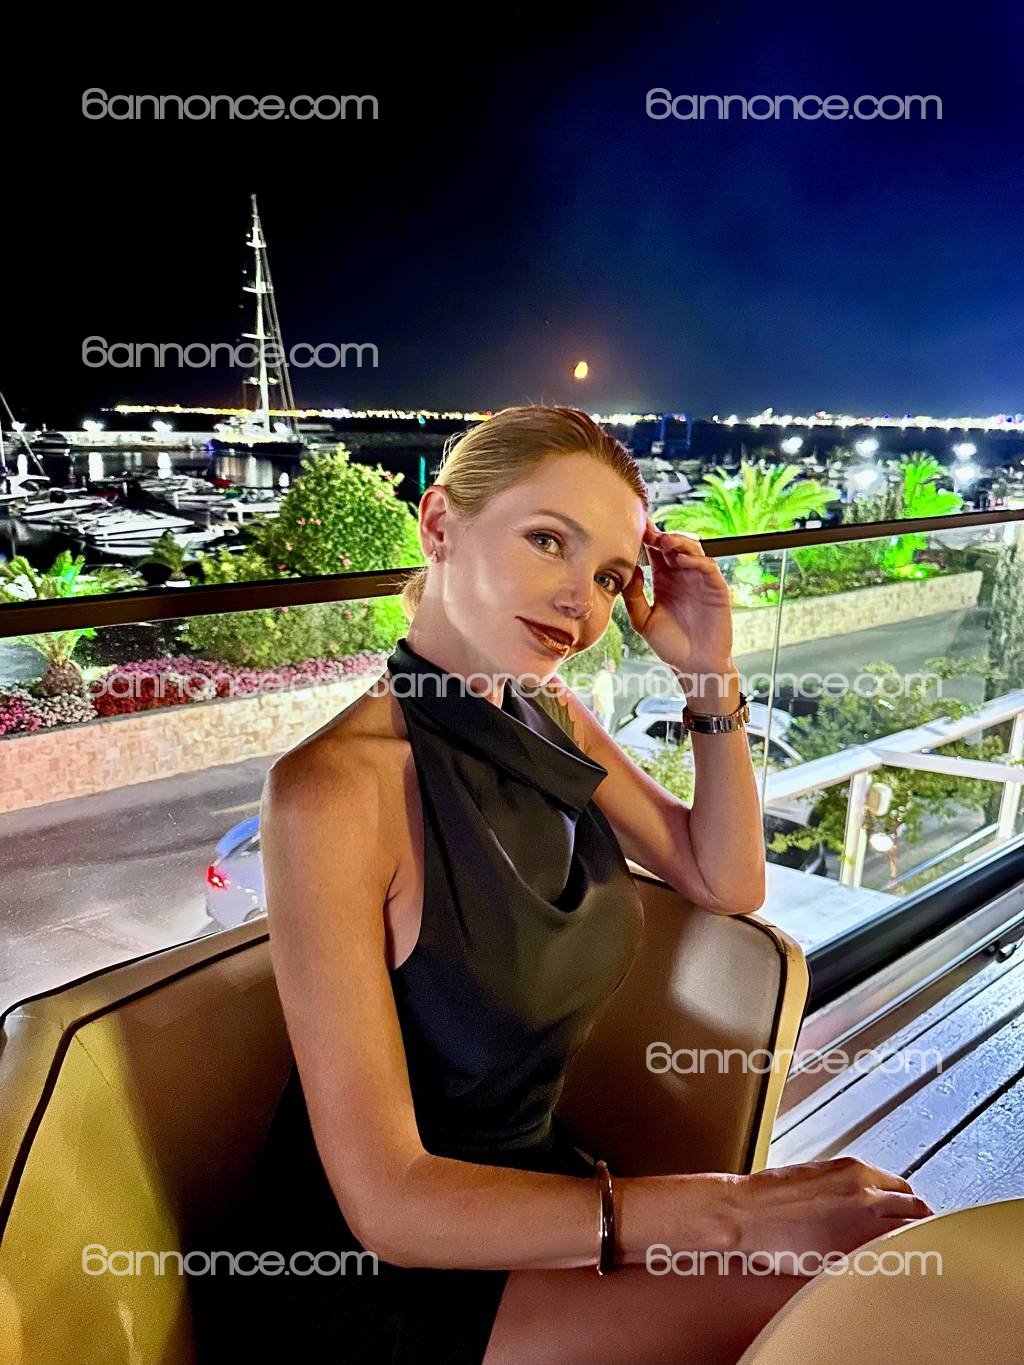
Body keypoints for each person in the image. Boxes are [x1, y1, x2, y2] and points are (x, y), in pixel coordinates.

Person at [197, 405, 934, 1363]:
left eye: (611, 577)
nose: (579, 602)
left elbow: (726, 877)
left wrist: (709, 673)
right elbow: (387, 1202)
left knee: (869, 1271)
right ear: (440, 523)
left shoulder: (551, 715)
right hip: (378, 1265)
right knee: (844, 1301)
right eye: (548, 540)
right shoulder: (332, 790)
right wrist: (736, 1209)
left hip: (542, 1191)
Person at [590, 657, 618, 732]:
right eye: (612, 664)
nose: (614, 666)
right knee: (602, 732)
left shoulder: (608, 675)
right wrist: (594, 709)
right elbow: (594, 692)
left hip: (608, 709)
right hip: (602, 709)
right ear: (606, 666)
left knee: (604, 731)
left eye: (614, 664)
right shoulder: (602, 675)